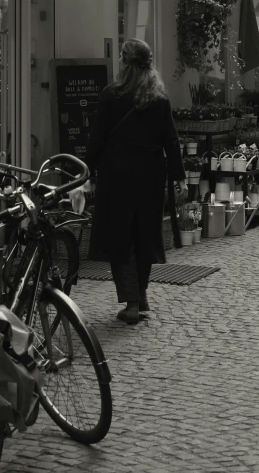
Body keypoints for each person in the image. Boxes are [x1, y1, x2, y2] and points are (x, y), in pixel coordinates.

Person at [85, 38, 188, 325]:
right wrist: (179, 177)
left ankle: (132, 302)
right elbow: (171, 139)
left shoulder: (111, 95)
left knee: (121, 237)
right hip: (150, 175)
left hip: (117, 175)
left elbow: (97, 139)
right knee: (144, 234)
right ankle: (140, 294)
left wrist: (85, 173)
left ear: (125, 62)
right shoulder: (159, 98)